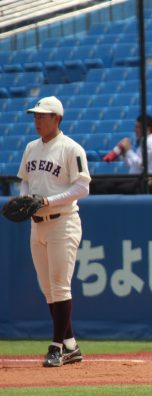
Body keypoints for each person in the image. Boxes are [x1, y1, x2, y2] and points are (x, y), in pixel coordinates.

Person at [18, 96, 90, 367]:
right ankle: (71, 345)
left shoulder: (71, 148)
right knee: (48, 289)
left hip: (63, 222)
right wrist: (26, 200)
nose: (37, 120)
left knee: (60, 285)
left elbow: (82, 188)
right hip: (37, 225)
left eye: (42, 116)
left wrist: (48, 201)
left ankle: (56, 346)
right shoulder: (31, 148)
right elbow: (25, 182)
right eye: (35, 116)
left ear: (57, 118)